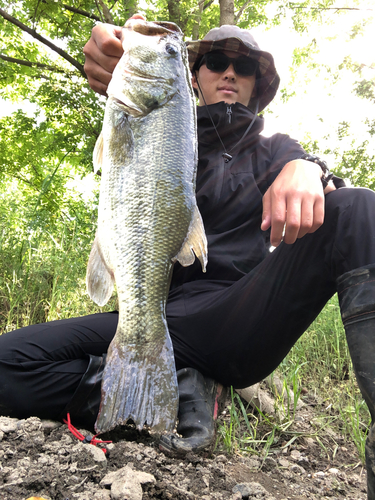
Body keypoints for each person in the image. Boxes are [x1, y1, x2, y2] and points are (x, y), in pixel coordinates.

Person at [1, 17, 375, 499]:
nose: (229, 73)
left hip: (234, 316)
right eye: (216, 62)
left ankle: (185, 379)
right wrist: (115, 58)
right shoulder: (155, 120)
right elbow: (127, 90)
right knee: (8, 361)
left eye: (244, 68)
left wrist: (309, 168)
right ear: (193, 77)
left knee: (360, 207)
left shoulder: (276, 150)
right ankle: (172, 392)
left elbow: (332, 206)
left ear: (257, 84)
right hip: (151, 313)